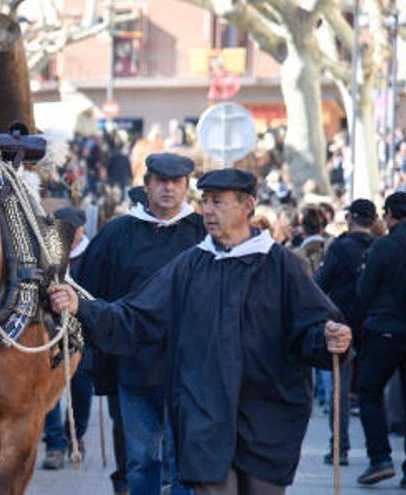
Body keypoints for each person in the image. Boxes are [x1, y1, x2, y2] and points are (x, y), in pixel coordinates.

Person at [48, 168, 352, 494]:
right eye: (205, 201)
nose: (207, 210)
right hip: (204, 414)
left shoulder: (280, 265)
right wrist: (84, 308)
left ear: (247, 205)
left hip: (268, 415)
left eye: (218, 202)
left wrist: (330, 339)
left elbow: (310, 329)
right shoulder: (191, 265)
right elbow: (136, 316)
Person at [77, 153, 204, 495]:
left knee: (184, 461)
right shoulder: (117, 233)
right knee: (141, 458)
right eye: (160, 181)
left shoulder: (204, 232)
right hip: (133, 362)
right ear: (146, 185)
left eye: (176, 182)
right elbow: (88, 291)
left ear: (186, 187)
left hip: (189, 366)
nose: (168, 188)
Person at [313, 199, 377, 467]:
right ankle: (380, 456)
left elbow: (319, 285)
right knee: (373, 393)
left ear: (350, 218)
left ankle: (339, 447)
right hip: (375, 325)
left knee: (339, 389)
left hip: (344, 324)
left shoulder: (339, 247)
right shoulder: (379, 247)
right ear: (374, 221)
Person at [355, 192, 406, 486]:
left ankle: (380, 458)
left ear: (389, 215)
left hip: (384, 328)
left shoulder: (383, 247)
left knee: (369, 391)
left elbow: (365, 291)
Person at [41, 206, 94, 470]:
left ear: (82, 230)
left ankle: (76, 435)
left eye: (74, 231)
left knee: (82, 389)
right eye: (65, 231)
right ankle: (55, 445)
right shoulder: (45, 252)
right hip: (50, 331)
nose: (70, 236)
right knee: (48, 389)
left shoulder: (93, 253)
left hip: (83, 332)